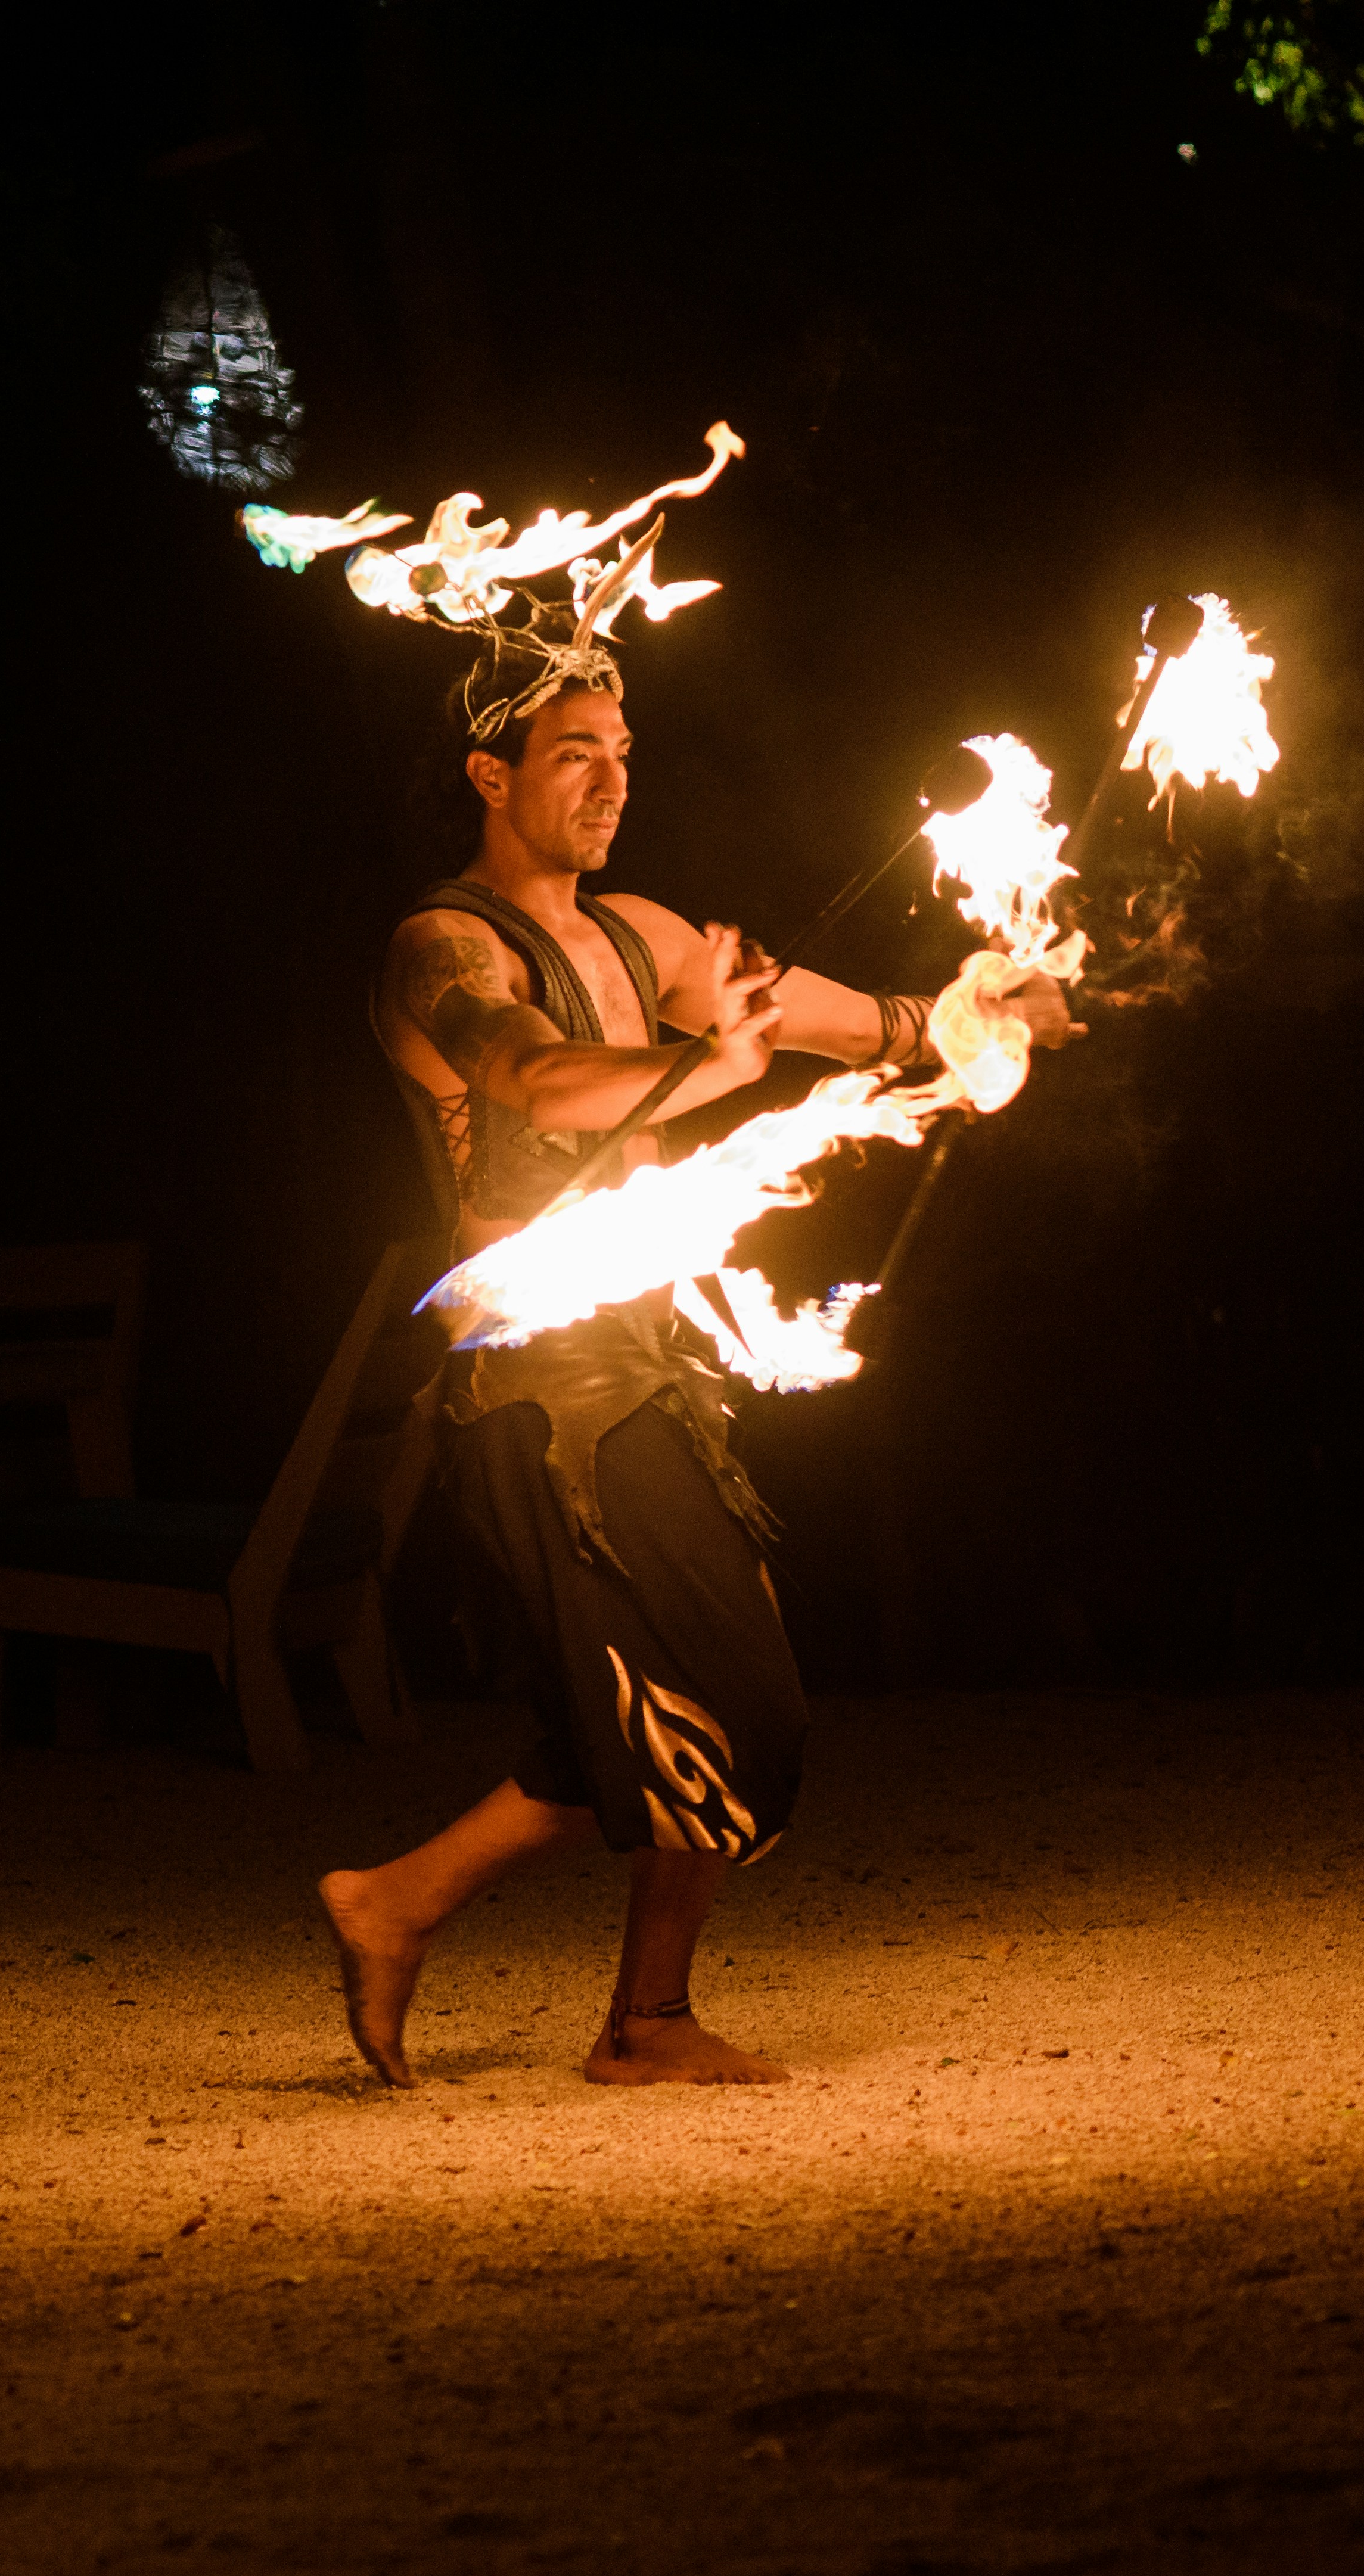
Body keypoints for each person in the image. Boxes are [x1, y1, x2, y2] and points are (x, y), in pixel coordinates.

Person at [318, 655, 1073, 2087]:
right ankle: (520, 1960)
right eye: (570, 754)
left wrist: (976, 1017)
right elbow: (535, 1083)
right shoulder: (442, 947)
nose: (610, 780)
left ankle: (486, 1944)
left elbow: (842, 1020)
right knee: (730, 1694)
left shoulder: (640, 931)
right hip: (537, 1370)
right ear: (491, 775)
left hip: (650, 1352)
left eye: (621, 749)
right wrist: (713, 1070)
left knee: (642, 1698)